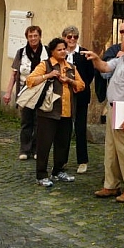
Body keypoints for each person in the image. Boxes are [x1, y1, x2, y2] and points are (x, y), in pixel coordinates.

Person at [83, 26, 124, 203]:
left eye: (123, 37)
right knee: (111, 149)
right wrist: (95, 58)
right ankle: (111, 184)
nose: (121, 40)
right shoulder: (123, 59)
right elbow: (105, 67)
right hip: (114, 108)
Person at [26, 37, 85, 187]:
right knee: (44, 144)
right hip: (48, 112)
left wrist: (69, 81)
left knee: (63, 144)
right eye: (59, 49)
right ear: (52, 51)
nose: (63, 51)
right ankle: (41, 174)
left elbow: (81, 85)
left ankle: (58, 170)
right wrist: (48, 75)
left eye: (64, 49)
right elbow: (30, 80)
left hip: (67, 112)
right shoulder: (45, 65)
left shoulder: (71, 67)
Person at [3, 26, 49, 160]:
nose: (33, 38)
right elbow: (14, 75)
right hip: (25, 91)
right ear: (27, 38)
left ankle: (36, 149)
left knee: (39, 122)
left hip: (42, 91)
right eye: (30, 36)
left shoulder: (46, 51)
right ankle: (24, 149)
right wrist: (8, 92)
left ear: (40, 36)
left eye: (35, 35)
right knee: (26, 121)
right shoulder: (21, 52)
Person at [62, 26, 94, 174]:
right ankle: (62, 159)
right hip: (65, 96)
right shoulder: (61, 52)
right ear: (64, 38)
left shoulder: (83, 54)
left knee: (80, 128)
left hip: (80, 95)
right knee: (65, 128)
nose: (72, 40)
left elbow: (90, 74)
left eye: (75, 37)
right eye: (69, 37)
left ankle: (82, 161)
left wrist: (80, 85)